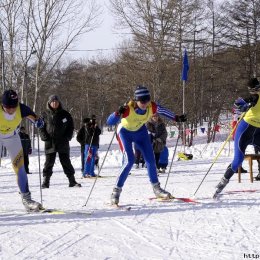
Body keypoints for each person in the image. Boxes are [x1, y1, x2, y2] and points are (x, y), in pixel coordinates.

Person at [107, 85, 187, 205]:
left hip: (140, 132)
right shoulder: (128, 108)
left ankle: (157, 189)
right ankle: (116, 191)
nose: (145, 103)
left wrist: (177, 118)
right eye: (142, 101)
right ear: (136, 100)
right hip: (125, 133)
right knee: (129, 161)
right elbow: (109, 122)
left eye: (147, 100)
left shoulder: (152, 106)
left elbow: (164, 111)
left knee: (150, 159)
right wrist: (117, 113)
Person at [214, 78, 260, 197]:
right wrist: (244, 106)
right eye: (253, 90)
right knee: (238, 161)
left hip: (258, 131)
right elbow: (237, 104)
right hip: (245, 129)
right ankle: (222, 182)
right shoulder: (254, 97)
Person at [0, 89, 44, 211]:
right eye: (7, 107)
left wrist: (39, 122)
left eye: (13, 107)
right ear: (2, 104)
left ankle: (27, 200)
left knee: (20, 168)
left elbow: (36, 119)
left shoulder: (22, 109)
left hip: (12, 136)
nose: (11, 110)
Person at [39, 95, 81, 188]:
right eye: (52, 102)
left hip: (63, 141)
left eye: (56, 101)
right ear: (49, 103)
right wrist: (45, 137)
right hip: (50, 142)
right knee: (49, 162)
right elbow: (41, 127)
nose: (54, 103)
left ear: (59, 103)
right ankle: (46, 182)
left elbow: (71, 127)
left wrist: (67, 137)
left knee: (66, 161)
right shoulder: (44, 114)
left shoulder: (65, 114)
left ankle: (72, 181)